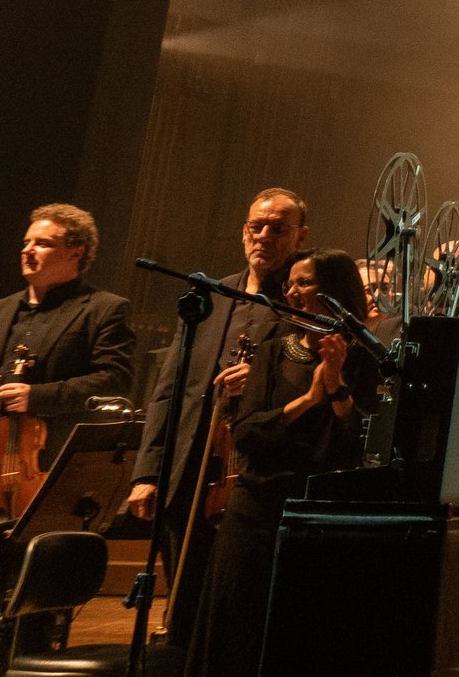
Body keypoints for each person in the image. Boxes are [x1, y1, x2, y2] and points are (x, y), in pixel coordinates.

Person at [0, 204, 135, 677]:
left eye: (42, 243)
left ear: (76, 252)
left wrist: (38, 396)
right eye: (27, 241)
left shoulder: (103, 308)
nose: (28, 249)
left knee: (34, 615)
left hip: (43, 479)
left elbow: (114, 379)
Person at [128, 186, 307, 647]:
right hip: (189, 473)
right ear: (243, 231)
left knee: (242, 616)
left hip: (256, 480)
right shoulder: (208, 297)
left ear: (300, 237)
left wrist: (264, 378)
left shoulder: (303, 301)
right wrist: (148, 472)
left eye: (277, 229)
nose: (264, 237)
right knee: (183, 609)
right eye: (256, 227)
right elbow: (169, 389)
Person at [185, 249, 376, 677]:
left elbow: (360, 446)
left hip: (319, 516)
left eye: (304, 283)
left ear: (335, 291)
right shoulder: (273, 351)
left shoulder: (366, 357)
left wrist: (337, 388)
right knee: (236, 631)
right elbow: (247, 433)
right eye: (290, 283)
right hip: (255, 510)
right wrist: (307, 400)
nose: (291, 292)